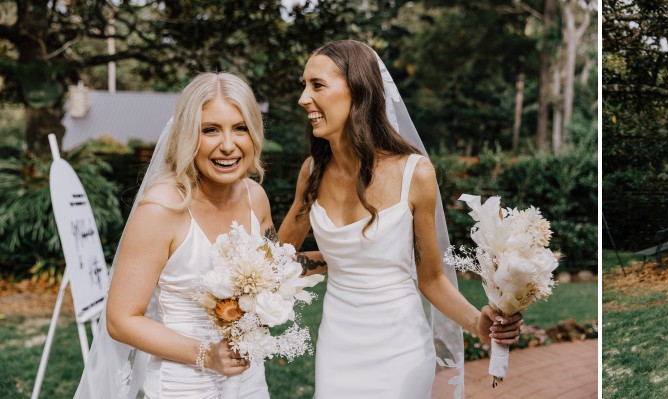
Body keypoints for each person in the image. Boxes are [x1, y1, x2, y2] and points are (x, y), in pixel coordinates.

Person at [275, 40, 522, 398]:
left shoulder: (414, 174)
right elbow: (280, 259)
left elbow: (433, 278)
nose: (303, 99)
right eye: (304, 85)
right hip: (336, 348)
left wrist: (477, 324)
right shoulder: (311, 173)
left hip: (400, 349)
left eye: (316, 85)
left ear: (358, 91)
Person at [76, 72, 271, 398]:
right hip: (185, 386)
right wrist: (208, 354)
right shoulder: (162, 209)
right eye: (210, 130)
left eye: (240, 128)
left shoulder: (256, 199)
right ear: (186, 136)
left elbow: (272, 275)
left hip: (250, 381)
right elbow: (121, 320)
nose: (227, 144)